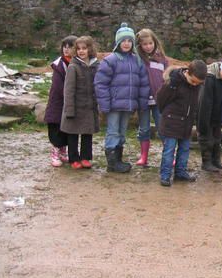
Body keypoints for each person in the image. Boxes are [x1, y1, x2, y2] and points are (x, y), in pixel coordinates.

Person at [95, 23, 149, 173]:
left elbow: (143, 84)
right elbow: (101, 84)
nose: (126, 44)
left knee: (122, 131)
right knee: (113, 131)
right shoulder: (110, 60)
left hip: (129, 104)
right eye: (123, 41)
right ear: (118, 42)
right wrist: (104, 104)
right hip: (113, 105)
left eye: (129, 41)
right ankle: (112, 162)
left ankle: (118, 159)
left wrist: (141, 102)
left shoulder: (137, 61)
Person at [157, 60, 208, 187]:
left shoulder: (197, 86)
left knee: (184, 149)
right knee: (169, 150)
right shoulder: (174, 83)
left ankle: (180, 172)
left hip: (186, 123)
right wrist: (168, 114)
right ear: (187, 73)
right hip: (171, 122)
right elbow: (161, 99)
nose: (195, 84)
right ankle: (165, 175)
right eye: (193, 81)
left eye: (198, 83)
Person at [60, 36, 100, 169]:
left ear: (90, 49)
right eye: (78, 49)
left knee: (87, 133)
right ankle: (73, 158)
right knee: (73, 134)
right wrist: (69, 109)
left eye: (84, 48)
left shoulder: (95, 65)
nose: (81, 51)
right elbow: (68, 90)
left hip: (89, 106)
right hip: (76, 106)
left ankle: (85, 157)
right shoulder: (73, 66)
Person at [135, 28, 169, 166]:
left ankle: (168, 154)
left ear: (155, 42)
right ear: (140, 45)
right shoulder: (137, 59)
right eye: (144, 44)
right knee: (144, 128)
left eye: (150, 43)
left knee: (162, 127)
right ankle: (144, 156)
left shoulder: (162, 60)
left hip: (158, 99)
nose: (148, 46)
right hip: (142, 99)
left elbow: (166, 79)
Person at [44, 35, 77, 167]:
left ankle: (63, 151)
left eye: (70, 47)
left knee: (66, 128)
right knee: (56, 127)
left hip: (69, 102)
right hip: (58, 102)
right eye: (65, 47)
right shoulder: (59, 65)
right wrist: (69, 96)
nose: (66, 50)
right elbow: (58, 86)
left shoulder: (75, 62)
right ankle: (55, 152)